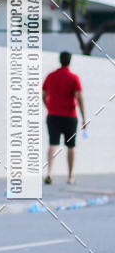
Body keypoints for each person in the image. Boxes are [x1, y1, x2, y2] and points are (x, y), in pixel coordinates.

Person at [42, 51, 87, 185]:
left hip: (53, 115)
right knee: (71, 146)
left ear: (60, 60)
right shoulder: (74, 78)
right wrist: (84, 118)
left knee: (53, 144)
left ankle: (50, 173)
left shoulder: (50, 76)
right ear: (69, 61)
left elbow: (43, 95)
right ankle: (70, 176)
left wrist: (49, 107)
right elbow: (79, 98)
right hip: (70, 117)